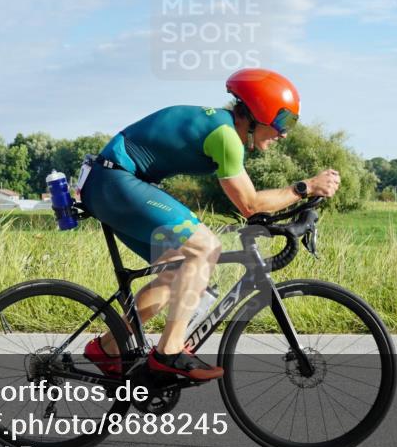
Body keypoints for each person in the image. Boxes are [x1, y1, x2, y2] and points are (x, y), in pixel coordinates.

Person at [79, 68, 341, 381]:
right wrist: (306, 187)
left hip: (110, 182)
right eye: (282, 122)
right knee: (205, 247)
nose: (284, 134)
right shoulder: (226, 136)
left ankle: (107, 349)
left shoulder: (224, 130)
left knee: (178, 273)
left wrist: (292, 212)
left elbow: (254, 207)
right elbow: (249, 204)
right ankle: (169, 353)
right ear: (258, 112)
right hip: (115, 179)